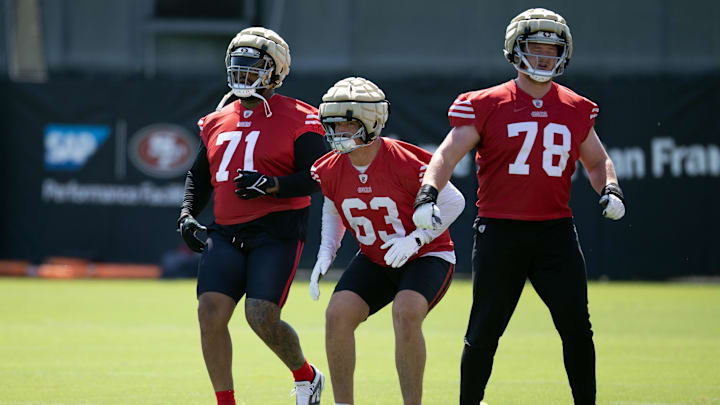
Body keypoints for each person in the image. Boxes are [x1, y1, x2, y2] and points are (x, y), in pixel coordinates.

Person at [412, 8, 626, 405]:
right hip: (500, 231)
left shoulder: (576, 107)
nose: (545, 56)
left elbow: (597, 161)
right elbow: (446, 154)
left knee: (577, 328)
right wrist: (427, 192)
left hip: (555, 232)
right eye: (536, 47)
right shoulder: (487, 102)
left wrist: (610, 188)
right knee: (484, 331)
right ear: (515, 49)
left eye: (552, 48)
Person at [177, 27, 327, 405]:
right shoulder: (216, 119)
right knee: (209, 312)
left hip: (276, 232)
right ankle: (225, 402)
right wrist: (186, 215)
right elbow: (199, 175)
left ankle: (307, 376)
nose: (243, 75)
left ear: (276, 73)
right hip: (225, 231)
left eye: (253, 68)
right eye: (238, 66)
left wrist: (271, 185)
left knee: (261, 316)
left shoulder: (300, 117)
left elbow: (317, 174)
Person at [308, 77, 466, 405]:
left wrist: (417, 238)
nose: (338, 132)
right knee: (337, 315)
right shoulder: (330, 167)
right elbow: (333, 206)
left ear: (371, 121)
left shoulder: (405, 160)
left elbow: (454, 201)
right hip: (376, 257)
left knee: (406, 311)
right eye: (333, 124)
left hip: (427, 254)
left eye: (347, 124)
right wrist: (327, 249)